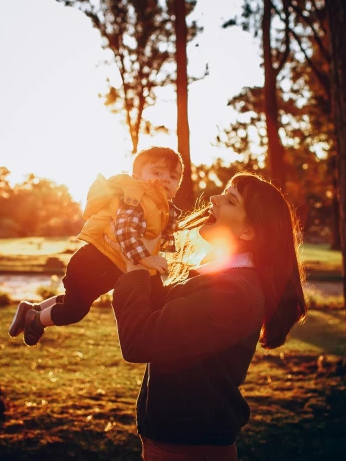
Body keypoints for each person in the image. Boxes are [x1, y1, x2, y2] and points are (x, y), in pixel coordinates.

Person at [109, 172, 307, 460]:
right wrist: (145, 257)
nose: (213, 198)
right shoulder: (221, 278)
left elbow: (140, 339)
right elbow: (160, 312)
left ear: (249, 231)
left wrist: (135, 271)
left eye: (229, 200)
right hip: (175, 441)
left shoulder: (233, 294)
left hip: (189, 448)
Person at [8, 146, 184, 346]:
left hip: (112, 266)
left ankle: (33, 308)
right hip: (93, 263)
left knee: (154, 296)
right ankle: (35, 319)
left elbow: (161, 237)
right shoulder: (137, 199)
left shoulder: (163, 208)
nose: (165, 179)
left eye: (173, 176)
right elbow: (125, 231)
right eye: (157, 172)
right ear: (137, 176)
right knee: (74, 311)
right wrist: (146, 258)